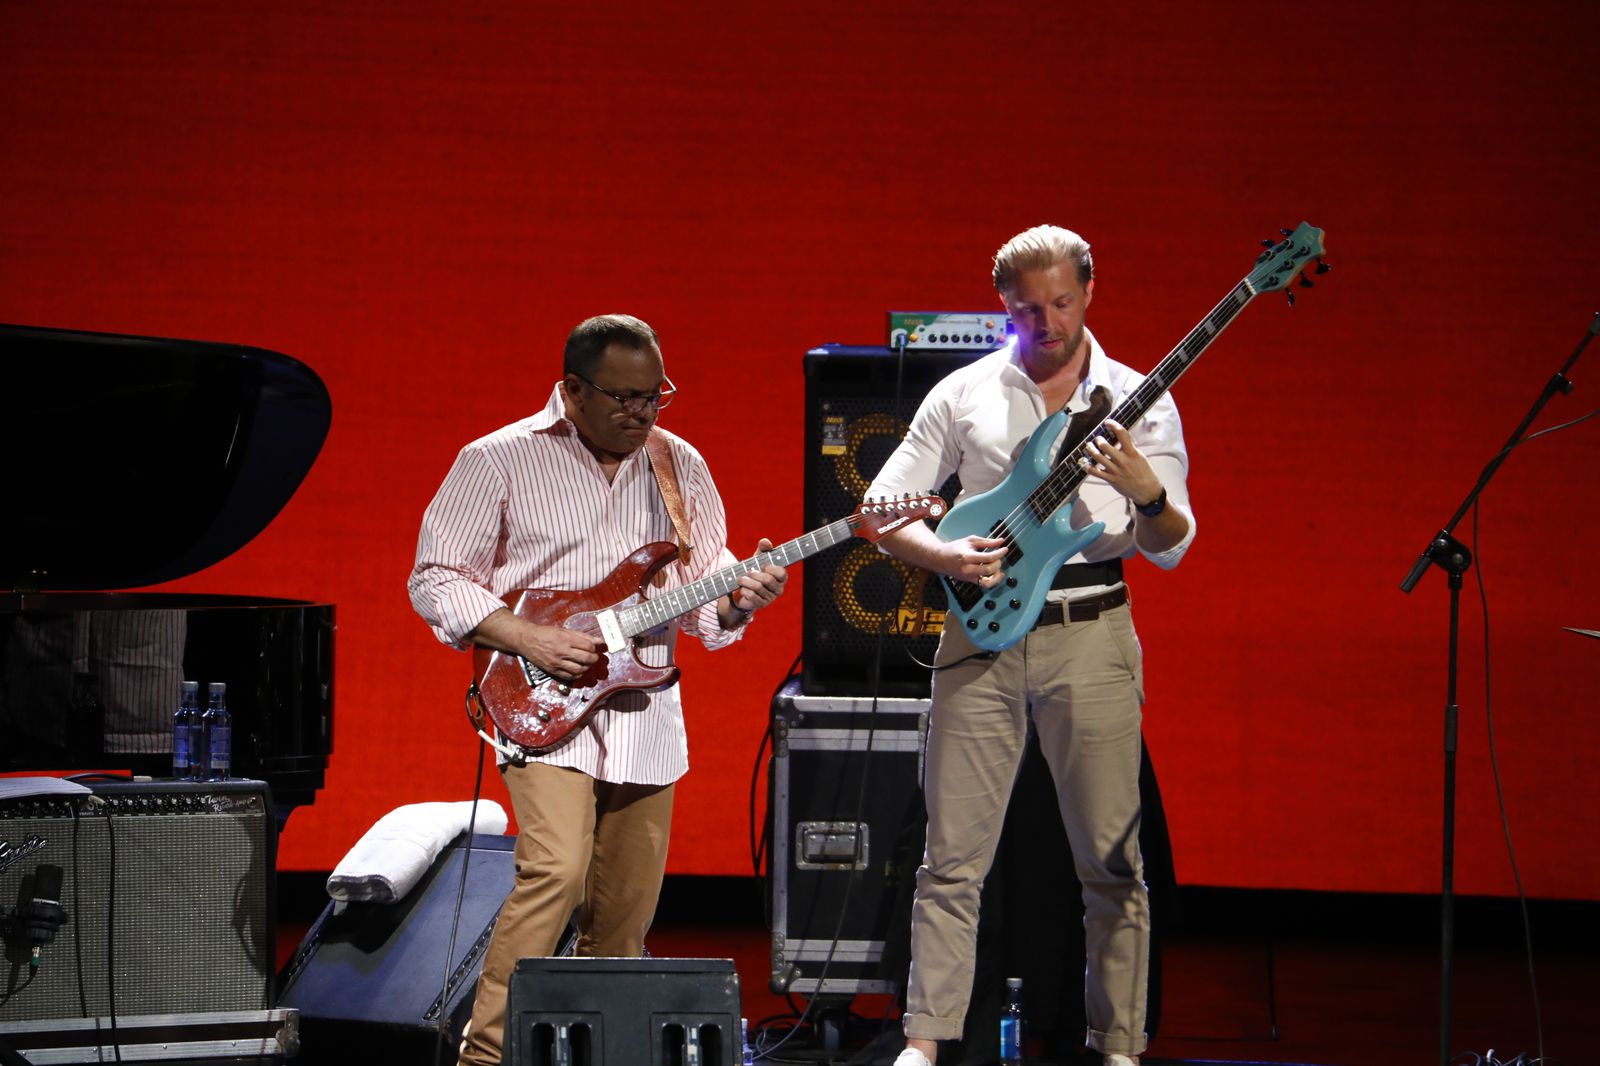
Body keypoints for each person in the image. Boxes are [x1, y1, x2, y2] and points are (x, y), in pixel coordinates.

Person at [407, 313, 787, 1066]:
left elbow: (703, 598)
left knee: (623, 917)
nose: (641, 414)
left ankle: (590, 1054)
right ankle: (483, 1057)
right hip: (538, 698)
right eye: (622, 398)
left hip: (646, 713)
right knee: (555, 871)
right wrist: (527, 636)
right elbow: (435, 577)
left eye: (654, 397)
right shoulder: (498, 460)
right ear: (572, 390)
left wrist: (741, 598)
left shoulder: (680, 466)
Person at [869, 225, 1195, 1066]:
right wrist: (942, 554)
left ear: (1089, 291)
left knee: (1111, 862)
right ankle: (927, 1040)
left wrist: (1146, 490)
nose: (1044, 324)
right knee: (951, 857)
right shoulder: (966, 393)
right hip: (980, 635)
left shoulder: (1138, 396)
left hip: (1091, 633)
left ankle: (1116, 1042)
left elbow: (1172, 540)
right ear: (1001, 305)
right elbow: (882, 507)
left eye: (1060, 304)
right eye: (1024, 311)